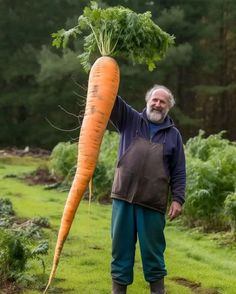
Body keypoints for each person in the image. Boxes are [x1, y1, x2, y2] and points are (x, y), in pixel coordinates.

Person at [109, 85, 186, 294]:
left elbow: (179, 170)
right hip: (123, 197)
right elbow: (111, 97)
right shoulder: (129, 119)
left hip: (152, 203)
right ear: (147, 101)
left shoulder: (174, 136)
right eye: (154, 99)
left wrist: (178, 199)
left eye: (162, 102)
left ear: (168, 107)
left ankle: (157, 291)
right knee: (120, 250)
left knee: (153, 253)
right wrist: (105, 68)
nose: (157, 104)